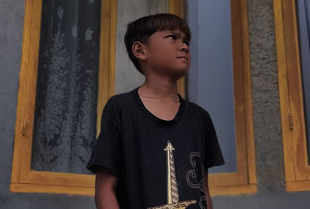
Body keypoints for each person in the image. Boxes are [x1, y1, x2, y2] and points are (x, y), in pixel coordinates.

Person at [87, 13, 224, 209]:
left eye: (186, 41)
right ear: (140, 50)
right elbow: (105, 191)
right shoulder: (121, 109)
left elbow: (204, 192)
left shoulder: (200, 118)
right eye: (172, 37)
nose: (184, 45)